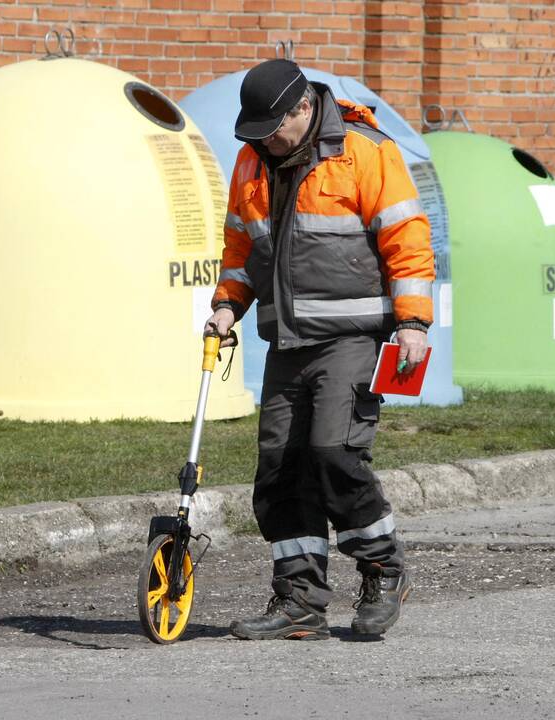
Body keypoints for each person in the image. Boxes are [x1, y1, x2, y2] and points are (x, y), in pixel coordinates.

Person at [204, 58, 435, 640]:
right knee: (281, 469)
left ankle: (384, 568)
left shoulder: (364, 152)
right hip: (287, 340)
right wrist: (228, 303)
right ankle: (300, 601)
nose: (262, 141)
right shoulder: (252, 160)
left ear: (303, 109)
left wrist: (413, 322)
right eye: (253, 132)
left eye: (270, 128)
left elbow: (407, 240)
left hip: (352, 337)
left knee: (334, 453)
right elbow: (241, 247)